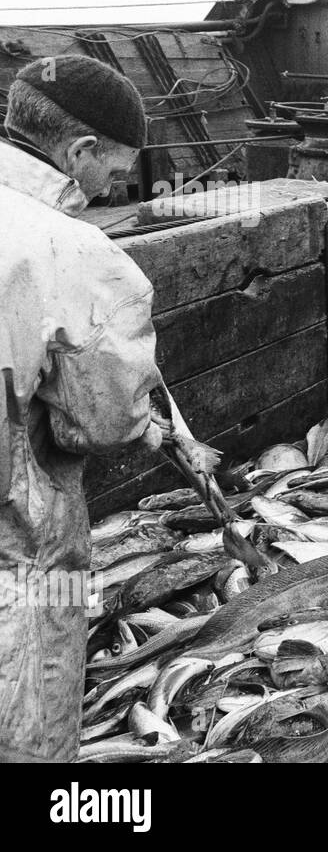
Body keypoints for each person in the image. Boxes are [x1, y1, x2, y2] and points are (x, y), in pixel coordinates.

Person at [0, 55, 163, 761]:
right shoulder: (75, 249)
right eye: (114, 172)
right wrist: (153, 425)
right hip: (20, 534)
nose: (112, 189)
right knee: (33, 690)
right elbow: (104, 419)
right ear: (79, 152)